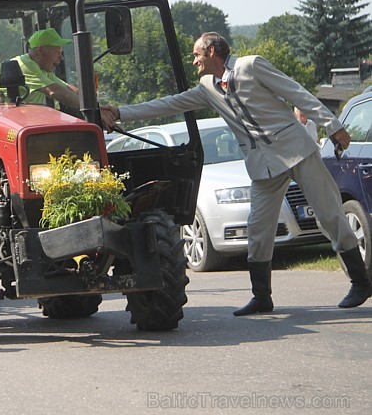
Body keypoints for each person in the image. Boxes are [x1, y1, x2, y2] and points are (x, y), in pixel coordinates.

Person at [103, 32, 372, 316]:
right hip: (263, 165)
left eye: (196, 55)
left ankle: (360, 281)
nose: (194, 61)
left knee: (329, 214)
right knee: (258, 229)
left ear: (211, 52)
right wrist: (119, 112)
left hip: (296, 150)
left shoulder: (250, 65)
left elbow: (296, 93)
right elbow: (170, 103)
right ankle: (261, 297)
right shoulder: (207, 86)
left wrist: (332, 126)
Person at [0, 28, 118, 126]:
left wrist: (97, 107)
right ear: (42, 50)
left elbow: (68, 89)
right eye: (58, 52)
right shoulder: (24, 65)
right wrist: (95, 112)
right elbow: (55, 91)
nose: (61, 58)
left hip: (11, 125)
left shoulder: (43, 70)